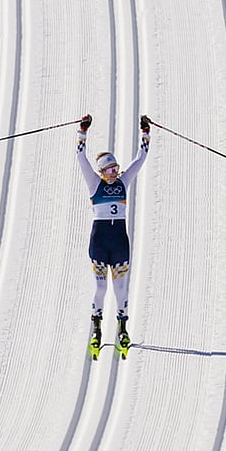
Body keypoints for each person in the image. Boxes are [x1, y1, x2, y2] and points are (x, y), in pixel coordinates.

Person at [76, 113, 151, 358]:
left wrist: (145, 132)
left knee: (120, 289)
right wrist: (82, 132)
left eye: (116, 168)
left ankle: (122, 328)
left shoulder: (124, 182)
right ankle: (96, 327)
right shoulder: (94, 184)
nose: (115, 172)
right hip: (99, 242)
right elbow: (80, 156)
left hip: (119, 242)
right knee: (100, 288)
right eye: (110, 169)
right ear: (101, 171)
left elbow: (141, 158)